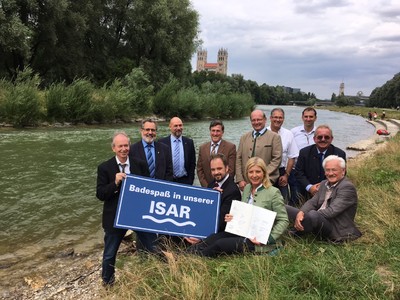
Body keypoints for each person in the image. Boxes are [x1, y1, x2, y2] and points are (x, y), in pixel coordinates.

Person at [187, 157, 289, 257]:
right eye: (251, 172)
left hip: (258, 241)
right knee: (213, 238)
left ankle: (190, 258)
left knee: (220, 244)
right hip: (242, 232)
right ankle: (182, 254)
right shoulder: (247, 189)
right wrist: (232, 217)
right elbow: (244, 214)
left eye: (258, 172)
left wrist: (268, 238)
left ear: (264, 173)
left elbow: (284, 220)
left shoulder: (273, 192)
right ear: (247, 173)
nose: (254, 175)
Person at [96, 131, 149, 286]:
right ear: (114, 148)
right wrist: (115, 183)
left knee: (151, 246)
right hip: (115, 217)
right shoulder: (105, 168)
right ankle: (107, 282)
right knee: (110, 253)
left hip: (138, 215)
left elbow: (148, 189)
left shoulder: (140, 164)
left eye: (126, 145)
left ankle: (151, 274)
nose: (124, 149)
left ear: (129, 146)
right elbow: (100, 194)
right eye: (120, 146)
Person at [286, 155, 362, 242]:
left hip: (335, 228)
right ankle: (275, 229)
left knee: (313, 215)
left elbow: (331, 212)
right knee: (284, 207)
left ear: (343, 171)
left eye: (334, 170)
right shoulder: (324, 183)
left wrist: (307, 217)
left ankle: (296, 233)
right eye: (327, 170)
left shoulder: (347, 187)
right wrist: (301, 213)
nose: (330, 173)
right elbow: (312, 202)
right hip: (317, 219)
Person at [129, 119, 173, 251]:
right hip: (141, 196)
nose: (150, 132)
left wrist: (164, 190)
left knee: (160, 224)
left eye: (153, 130)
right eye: (147, 130)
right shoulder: (132, 150)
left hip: (161, 195)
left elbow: (169, 171)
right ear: (141, 131)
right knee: (142, 226)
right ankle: (142, 253)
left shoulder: (164, 149)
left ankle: (160, 252)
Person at [294, 125, 346, 201]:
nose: (323, 139)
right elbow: (298, 172)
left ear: (331, 139)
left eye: (327, 137)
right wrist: (310, 187)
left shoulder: (339, 154)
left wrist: (322, 188)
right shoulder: (304, 152)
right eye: (319, 137)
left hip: (330, 193)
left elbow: (342, 174)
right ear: (314, 139)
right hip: (307, 192)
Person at [236, 109, 282, 190]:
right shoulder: (244, 137)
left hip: (267, 181)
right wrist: (240, 179)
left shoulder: (274, 137)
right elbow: (238, 159)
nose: (256, 122)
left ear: (265, 120)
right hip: (246, 182)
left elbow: (277, 159)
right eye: (253, 120)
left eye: (259, 119)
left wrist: (261, 175)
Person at [267, 108, 299, 204]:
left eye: (280, 117)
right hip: (266, 171)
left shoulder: (288, 134)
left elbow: (292, 156)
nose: (278, 120)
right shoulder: (264, 133)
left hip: (282, 172)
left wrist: (286, 175)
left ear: (283, 119)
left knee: (283, 201)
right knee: (267, 199)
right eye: (275, 117)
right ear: (270, 118)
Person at [289, 107, 317, 205]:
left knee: (313, 198)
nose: (308, 119)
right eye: (306, 116)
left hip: (314, 171)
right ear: (302, 117)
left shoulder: (319, 133)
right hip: (296, 170)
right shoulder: (293, 132)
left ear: (315, 118)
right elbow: (289, 152)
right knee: (296, 197)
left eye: (311, 117)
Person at [197, 120, 236, 187]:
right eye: (213, 130)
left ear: (222, 132)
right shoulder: (202, 148)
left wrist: (219, 186)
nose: (215, 133)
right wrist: (207, 187)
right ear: (210, 131)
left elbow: (231, 170)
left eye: (218, 131)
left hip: (224, 187)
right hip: (207, 187)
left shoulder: (230, 147)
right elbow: (199, 170)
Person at [159, 117, 196, 185]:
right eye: (175, 126)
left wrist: (190, 181)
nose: (178, 128)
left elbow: (192, 164)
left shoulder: (189, 142)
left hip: (185, 181)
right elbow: (160, 164)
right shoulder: (162, 143)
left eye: (180, 125)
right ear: (170, 127)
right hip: (167, 181)